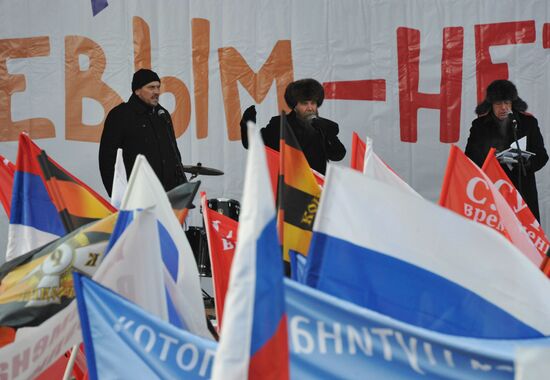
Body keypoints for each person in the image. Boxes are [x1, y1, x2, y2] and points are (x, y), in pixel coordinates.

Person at [465, 79, 548, 221]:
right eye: (498, 104)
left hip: (522, 191)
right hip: (493, 190)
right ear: (491, 105)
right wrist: (491, 159)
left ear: (513, 104)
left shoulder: (528, 123)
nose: (503, 107)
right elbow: (470, 158)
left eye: (507, 103)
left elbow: (542, 156)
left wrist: (527, 163)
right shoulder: (479, 126)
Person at [99, 68, 187, 195]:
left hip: (168, 195)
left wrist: (180, 186)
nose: (157, 92)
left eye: (158, 87)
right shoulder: (120, 115)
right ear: (137, 90)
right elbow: (107, 158)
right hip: (137, 196)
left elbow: (174, 153)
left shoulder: (162, 114)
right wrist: (117, 195)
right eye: (151, 87)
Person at [240, 78, 346, 174]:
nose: (310, 108)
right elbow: (252, 143)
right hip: (288, 189)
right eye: (305, 103)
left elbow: (338, 154)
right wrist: (248, 123)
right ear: (295, 105)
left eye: (313, 103)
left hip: (317, 188)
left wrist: (328, 133)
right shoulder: (280, 124)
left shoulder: (323, 126)